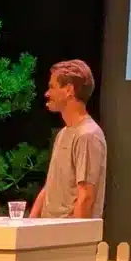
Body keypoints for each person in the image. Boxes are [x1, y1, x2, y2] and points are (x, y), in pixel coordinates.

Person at [31, 59, 108, 219]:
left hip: (67, 232)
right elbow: (50, 187)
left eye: (52, 87)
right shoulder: (63, 133)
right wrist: (29, 224)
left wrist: (75, 233)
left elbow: (85, 197)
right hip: (49, 229)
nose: (47, 94)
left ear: (69, 90)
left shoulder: (87, 135)